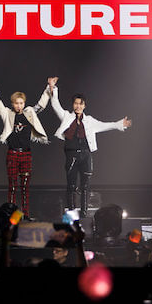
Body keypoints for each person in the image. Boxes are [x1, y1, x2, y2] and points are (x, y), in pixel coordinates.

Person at [49, 77, 131, 217]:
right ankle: (72, 213)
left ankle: (84, 213)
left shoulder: (90, 120)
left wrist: (119, 124)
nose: (78, 106)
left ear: (84, 106)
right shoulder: (67, 117)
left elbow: (105, 125)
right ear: (73, 105)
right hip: (71, 154)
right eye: (76, 103)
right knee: (71, 185)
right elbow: (55, 105)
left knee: (85, 186)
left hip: (86, 155)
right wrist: (53, 88)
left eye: (80, 104)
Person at [0, 77, 52, 218]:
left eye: (21, 103)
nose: (19, 106)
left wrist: (49, 87)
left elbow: (41, 105)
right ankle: (11, 215)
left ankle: (25, 215)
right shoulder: (8, 114)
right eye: (16, 103)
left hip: (26, 154)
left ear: (24, 103)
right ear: (12, 104)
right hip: (12, 154)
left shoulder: (29, 113)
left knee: (25, 188)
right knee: (12, 186)